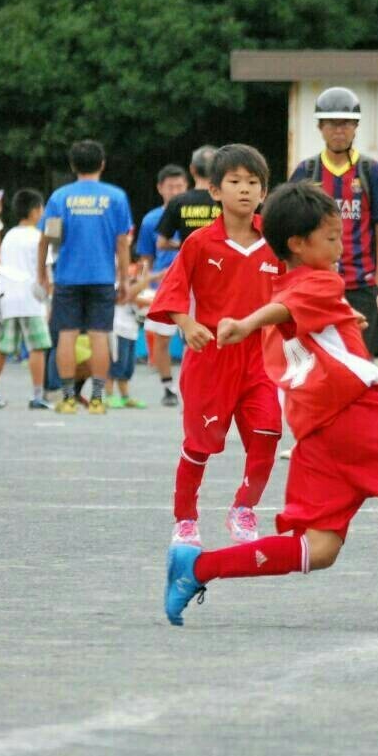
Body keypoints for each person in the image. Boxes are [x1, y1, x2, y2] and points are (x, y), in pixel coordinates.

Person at [163, 181, 378, 626]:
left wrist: (342, 316)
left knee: (318, 549)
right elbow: (285, 309)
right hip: (359, 414)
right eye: (330, 237)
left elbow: (292, 314)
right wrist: (247, 323)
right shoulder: (320, 280)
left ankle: (197, 568)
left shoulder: (292, 285)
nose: (340, 244)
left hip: (317, 437)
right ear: (298, 244)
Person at [148, 145, 284, 548]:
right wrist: (187, 323)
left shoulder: (277, 242)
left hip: (260, 356)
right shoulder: (199, 243)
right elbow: (172, 292)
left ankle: (245, 507)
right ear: (214, 191)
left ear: (264, 192)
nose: (244, 190)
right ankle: (185, 518)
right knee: (199, 445)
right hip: (210, 359)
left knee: (269, 429)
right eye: (235, 182)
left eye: (253, 183)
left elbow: (299, 293)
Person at [289, 87, 378, 383]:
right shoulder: (306, 171)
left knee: (367, 357)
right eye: (332, 123)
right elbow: (289, 227)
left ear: (356, 127)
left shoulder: (370, 171)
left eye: (346, 123)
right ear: (320, 127)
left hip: (361, 283)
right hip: (316, 282)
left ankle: (368, 419)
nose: (339, 130)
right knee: (317, 355)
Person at [36, 140, 133, 415]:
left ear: (72, 165)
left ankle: (68, 399)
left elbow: (49, 239)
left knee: (66, 334)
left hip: (67, 276)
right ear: (102, 164)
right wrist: (124, 279)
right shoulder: (115, 197)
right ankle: (98, 399)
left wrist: (42, 273)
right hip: (102, 277)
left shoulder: (60, 197)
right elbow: (122, 242)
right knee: (99, 335)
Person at [0, 190, 51, 410]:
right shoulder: (39, 237)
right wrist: (48, 296)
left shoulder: (9, 236)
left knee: (3, 347)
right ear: (36, 211)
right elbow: (45, 272)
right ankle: (37, 395)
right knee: (37, 346)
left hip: (8, 298)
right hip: (31, 299)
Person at [138, 164, 190, 407]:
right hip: (165, 284)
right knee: (161, 337)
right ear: (160, 189)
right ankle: (168, 386)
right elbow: (146, 258)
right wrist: (145, 283)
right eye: (171, 187)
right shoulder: (151, 220)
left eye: (180, 186)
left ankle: (195, 384)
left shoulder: (196, 211)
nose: (176, 191)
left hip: (195, 282)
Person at [156, 146, 220, 249]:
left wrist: (185, 246)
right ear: (218, 170)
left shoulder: (177, 202)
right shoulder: (227, 200)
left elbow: (161, 243)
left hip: (190, 263)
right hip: (221, 262)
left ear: (192, 169)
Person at [105, 263, 145, 409]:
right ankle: (109, 396)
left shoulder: (138, 287)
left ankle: (125, 397)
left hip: (131, 331)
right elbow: (128, 297)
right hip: (117, 329)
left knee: (127, 367)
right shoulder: (116, 286)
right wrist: (145, 279)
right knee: (114, 364)